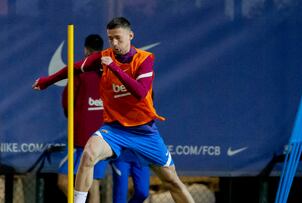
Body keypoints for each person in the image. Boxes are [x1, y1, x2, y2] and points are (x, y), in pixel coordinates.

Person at [32, 17, 194, 203]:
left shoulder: (144, 59)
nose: (114, 43)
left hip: (144, 132)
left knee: (172, 182)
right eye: (110, 38)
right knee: (89, 153)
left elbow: (140, 92)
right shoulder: (103, 58)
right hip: (115, 129)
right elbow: (74, 68)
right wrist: (47, 81)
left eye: (118, 38)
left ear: (131, 35)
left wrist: (114, 68)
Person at [56, 34, 107, 203]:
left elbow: (66, 103)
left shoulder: (80, 71)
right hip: (101, 139)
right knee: (93, 187)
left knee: (64, 181)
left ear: (85, 49)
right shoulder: (108, 72)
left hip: (79, 140)